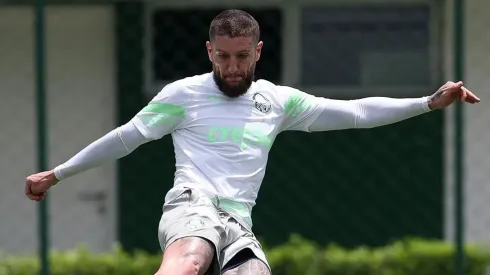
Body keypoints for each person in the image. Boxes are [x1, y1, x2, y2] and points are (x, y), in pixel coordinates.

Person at [25, 9, 479, 275]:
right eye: (222, 57)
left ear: (258, 52)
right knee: (190, 259)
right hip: (191, 205)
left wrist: (425, 103)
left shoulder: (277, 102)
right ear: (209, 52)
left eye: (242, 57)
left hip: (239, 221)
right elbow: (125, 138)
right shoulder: (182, 96)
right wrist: (58, 173)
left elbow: (356, 112)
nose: (232, 67)